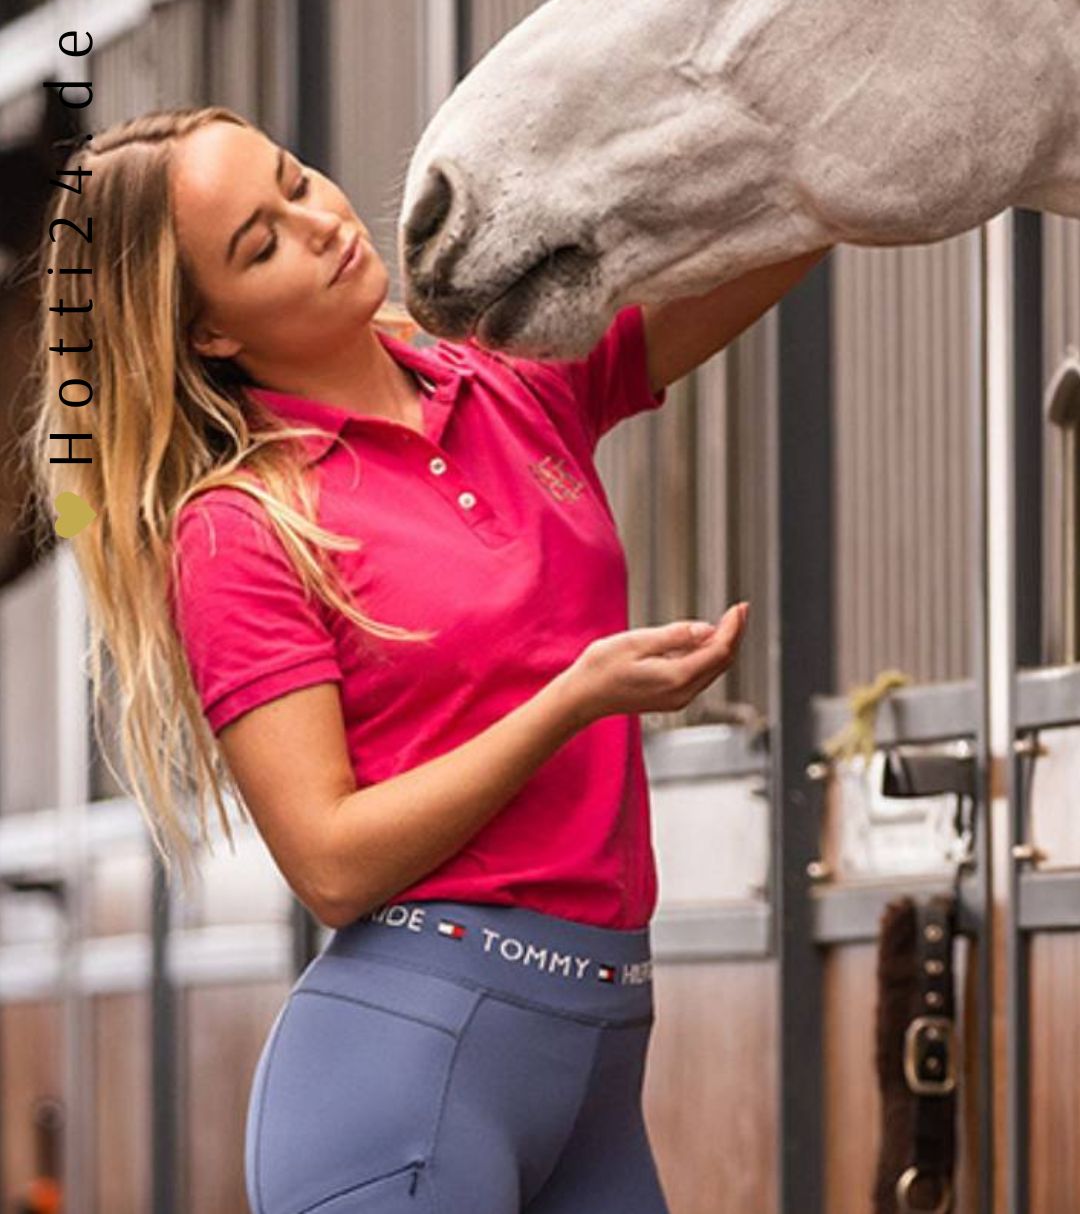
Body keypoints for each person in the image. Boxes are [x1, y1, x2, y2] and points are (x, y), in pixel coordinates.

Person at [26, 105, 827, 1213]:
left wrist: (875, 149)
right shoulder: (245, 528)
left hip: (602, 1053)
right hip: (407, 1071)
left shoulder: (505, 380)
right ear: (209, 333)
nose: (318, 224)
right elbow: (332, 863)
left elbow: (794, 230)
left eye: (295, 180)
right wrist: (577, 699)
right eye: (259, 244)